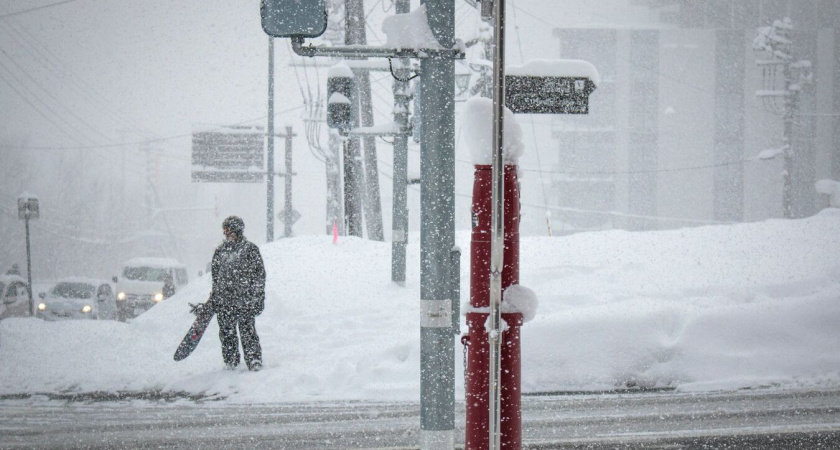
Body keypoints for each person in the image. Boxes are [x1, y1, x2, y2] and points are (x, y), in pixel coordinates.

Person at [208, 216, 266, 371]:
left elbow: (259, 276)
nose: (226, 234)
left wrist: (258, 297)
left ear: (237, 231)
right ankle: (230, 361)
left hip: (245, 301)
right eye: (224, 230)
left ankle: (254, 360)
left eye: (228, 230)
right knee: (227, 333)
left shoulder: (250, 249)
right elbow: (216, 276)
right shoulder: (220, 252)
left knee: (248, 331)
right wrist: (215, 295)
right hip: (225, 301)